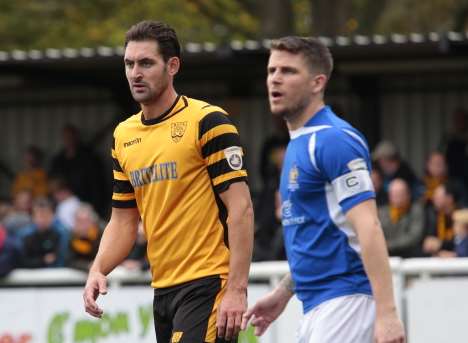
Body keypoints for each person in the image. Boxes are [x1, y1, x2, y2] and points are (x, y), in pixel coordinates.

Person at [83, 20, 254, 343]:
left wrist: (236, 288)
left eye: (146, 63)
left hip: (208, 282)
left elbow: (241, 209)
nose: (135, 73)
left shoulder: (208, 121)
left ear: (172, 65)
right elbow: (123, 220)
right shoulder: (123, 135)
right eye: (129, 64)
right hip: (162, 289)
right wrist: (98, 268)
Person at [241, 36, 405, 343]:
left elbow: (368, 227)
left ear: (318, 83)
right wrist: (284, 291)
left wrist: (387, 313)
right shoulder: (296, 143)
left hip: (347, 300)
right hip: (316, 304)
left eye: (288, 71)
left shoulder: (333, 139)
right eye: (271, 70)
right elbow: (321, 232)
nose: (275, 78)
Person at [379, 178, 424, 258]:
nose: (397, 197)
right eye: (394, 194)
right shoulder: (381, 212)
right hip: (386, 255)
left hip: (410, 255)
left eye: (400, 193)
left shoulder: (416, 210)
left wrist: (388, 245)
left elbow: (414, 236)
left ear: (408, 194)